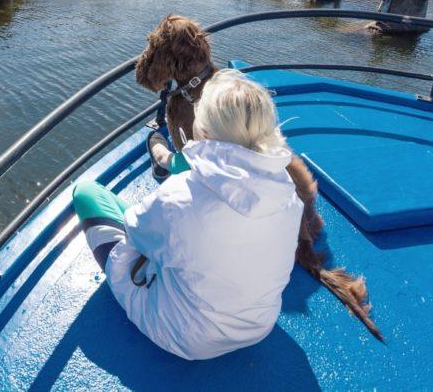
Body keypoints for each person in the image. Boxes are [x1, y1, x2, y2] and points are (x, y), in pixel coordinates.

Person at [72, 70, 304, 360]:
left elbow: (137, 237)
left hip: (187, 337)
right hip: (259, 326)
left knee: (85, 193)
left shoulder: (180, 195)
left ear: (203, 131)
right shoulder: (288, 193)